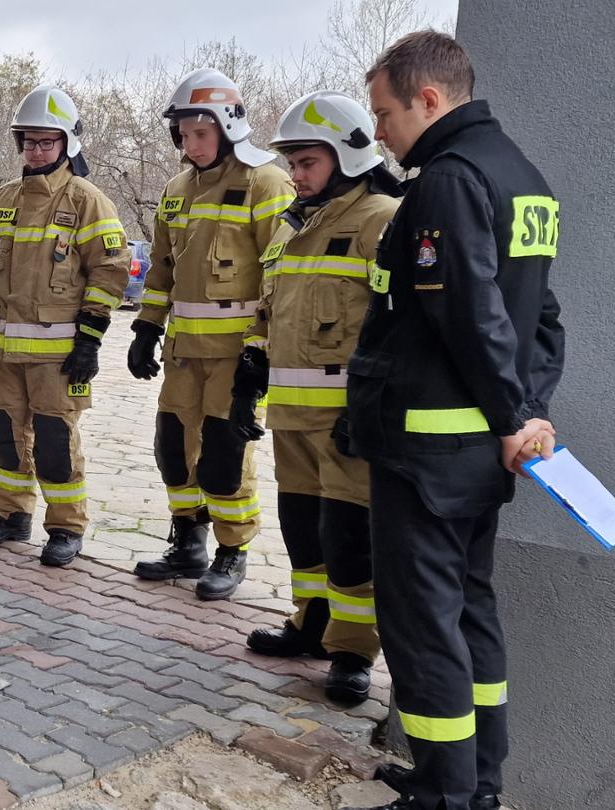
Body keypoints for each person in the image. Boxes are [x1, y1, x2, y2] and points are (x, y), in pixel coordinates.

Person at [344, 30, 565, 810]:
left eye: (385, 113)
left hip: (426, 452)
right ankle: (478, 784)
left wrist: (513, 413)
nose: (379, 133)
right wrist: (528, 415)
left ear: (429, 99)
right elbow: (543, 321)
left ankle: (443, 794)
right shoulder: (526, 180)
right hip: (481, 458)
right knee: (470, 609)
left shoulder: (447, 181)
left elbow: (467, 313)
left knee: (422, 626)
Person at [230, 91, 402, 707]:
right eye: (293, 163)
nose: (296, 175)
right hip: (293, 416)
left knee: (348, 535)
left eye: (307, 162)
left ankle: (353, 650)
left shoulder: (381, 219)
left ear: (349, 156)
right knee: (303, 530)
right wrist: (250, 365)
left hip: (348, 422)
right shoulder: (291, 227)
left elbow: (398, 320)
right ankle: (311, 623)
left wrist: (372, 405)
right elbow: (269, 312)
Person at [128, 69, 293, 600]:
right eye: (183, 133)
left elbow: (282, 272)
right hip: (182, 352)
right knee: (172, 449)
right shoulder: (176, 190)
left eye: (201, 132)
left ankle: (231, 551)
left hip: (235, 356)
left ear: (228, 127)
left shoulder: (266, 181)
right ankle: (188, 544)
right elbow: (161, 269)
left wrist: (261, 351)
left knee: (225, 458)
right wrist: (146, 328)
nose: (191, 143)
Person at [0, 84, 129, 567]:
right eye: (29, 141)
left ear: (67, 144)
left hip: (59, 356)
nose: (36, 151)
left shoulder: (88, 201)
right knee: (5, 437)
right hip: (6, 351)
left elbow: (109, 272)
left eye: (46, 142)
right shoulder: (5, 198)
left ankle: (66, 527)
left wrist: (91, 340)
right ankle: (12, 517)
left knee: (55, 444)